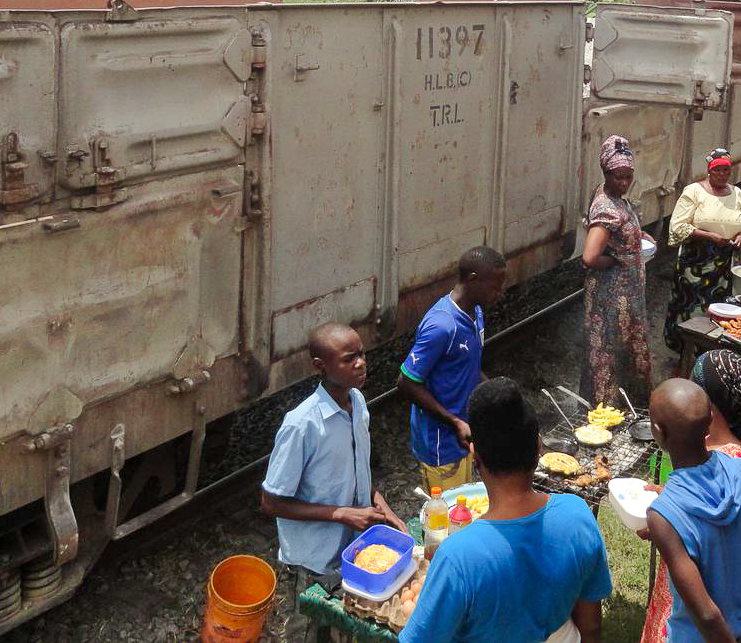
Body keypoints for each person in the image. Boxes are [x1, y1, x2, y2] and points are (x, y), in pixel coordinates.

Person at [402, 378, 613, 643]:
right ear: (538, 448)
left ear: (475, 455)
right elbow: (591, 626)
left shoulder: (458, 557)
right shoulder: (577, 514)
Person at [262, 323, 406, 642]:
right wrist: (342, 513)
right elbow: (270, 502)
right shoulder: (302, 425)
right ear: (320, 367)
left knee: (343, 628)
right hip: (314, 559)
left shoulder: (358, 404)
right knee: (308, 632)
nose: (360, 363)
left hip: (351, 550)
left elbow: (358, 473)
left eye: (361, 355)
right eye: (348, 359)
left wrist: (387, 514)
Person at [645, 379, 741, 643]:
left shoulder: (663, 515)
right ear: (710, 420)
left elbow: (706, 615)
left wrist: (665, 526)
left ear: (658, 431)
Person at [398, 247, 508, 492]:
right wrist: (454, 421)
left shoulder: (476, 312)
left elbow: (468, 367)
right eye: (495, 286)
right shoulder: (442, 326)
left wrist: (497, 395)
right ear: (473, 279)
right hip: (441, 444)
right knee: (446, 524)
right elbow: (406, 382)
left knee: (463, 512)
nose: (499, 294)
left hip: (464, 434)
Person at [664, 149, 741, 350]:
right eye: (718, 170)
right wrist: (709, 236)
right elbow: (677, 227)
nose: (722, 174)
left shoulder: (737, 194)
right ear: (709, 170)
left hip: (723, 267)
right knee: (689, 309)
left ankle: (709, 353)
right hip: (694, 266)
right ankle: (683, 353)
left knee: (719, 310)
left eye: (726, 170)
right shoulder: (694, 192)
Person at [582, 135, 653, 403]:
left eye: (628, 177)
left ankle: (626, 407)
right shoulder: (606, 208)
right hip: (611, 301)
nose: (624, 183)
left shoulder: (613, 196)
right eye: (618, 177)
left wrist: (638, 236)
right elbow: (589, 257)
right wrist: (615, 261)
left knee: (624, 353)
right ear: (606, 172)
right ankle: (607, 411)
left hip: (625, 298)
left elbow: (619, 233)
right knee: (609, 354)